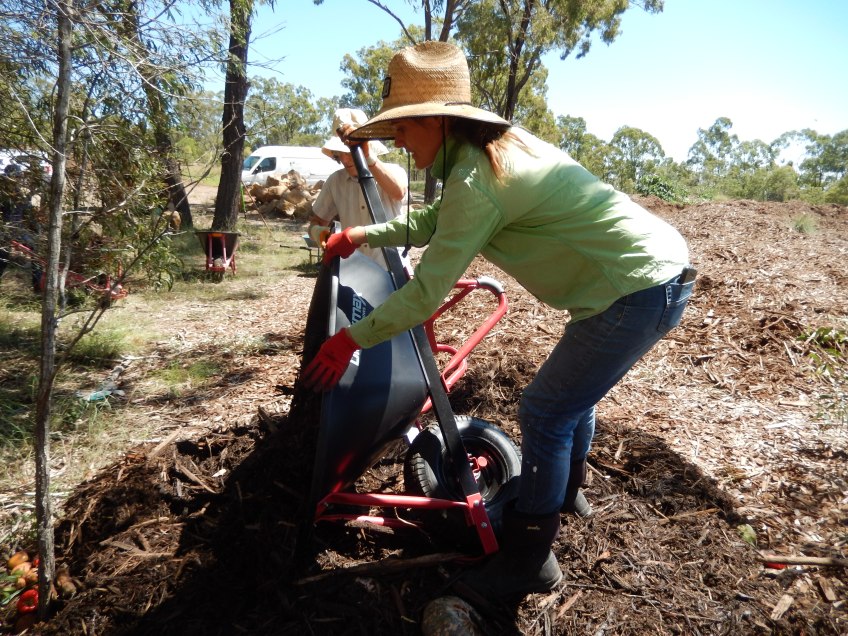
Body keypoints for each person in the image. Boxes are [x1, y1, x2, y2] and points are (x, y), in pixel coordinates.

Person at [303, 41, 695, 602]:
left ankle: (529, 561)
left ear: (436, 120)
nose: (400, 143)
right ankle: (567, 494)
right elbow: (439, 220)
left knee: (545, 412)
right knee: (570, 402)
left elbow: (424, 295)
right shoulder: (492, 150)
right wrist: (364, 233)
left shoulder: (475, 180)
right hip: (645, 274)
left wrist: (350, 341)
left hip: (634, 288)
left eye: (404, 129)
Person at [308, 108, 408, 268]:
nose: (345, 159)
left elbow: (398, 192)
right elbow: (317, 221)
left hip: (393, 268)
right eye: (340, 153)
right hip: (355, 271)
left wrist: (368, 158)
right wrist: (321, 234)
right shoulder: (335, 181)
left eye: (350, 151)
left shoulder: (394, 171)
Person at [0, 163, 41, 291]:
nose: (17, 180)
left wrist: (37, 230)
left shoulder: (21, 194)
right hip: (4, 230)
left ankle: (38, 286)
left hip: (19, 229)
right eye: (15, 177)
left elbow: (29, 215)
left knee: (36, 251)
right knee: (2, 256)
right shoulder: (2, 194)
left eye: (18, 177)